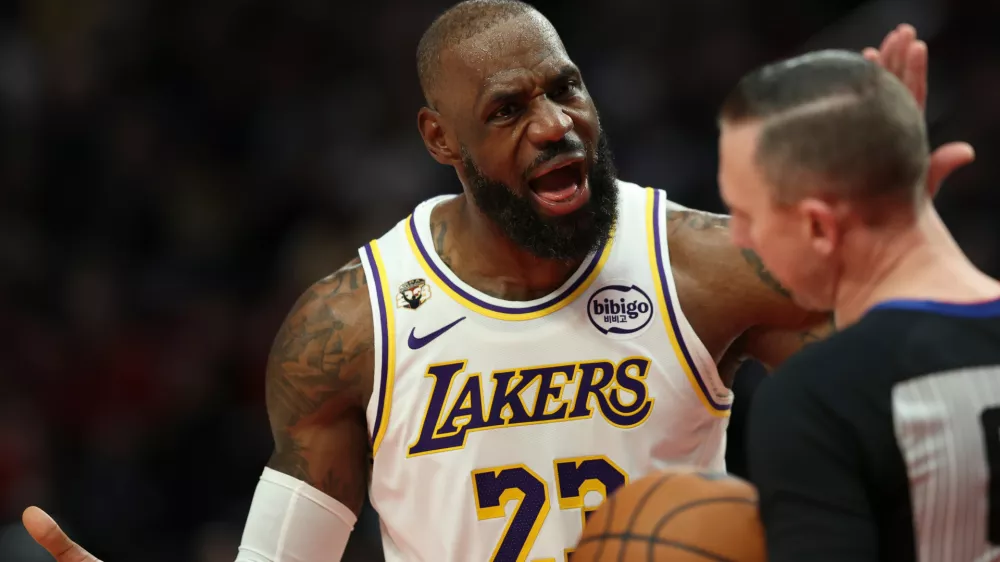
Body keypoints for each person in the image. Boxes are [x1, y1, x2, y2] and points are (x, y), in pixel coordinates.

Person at [21, 2, 971, 561]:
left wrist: (899, 239)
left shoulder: (703, 265)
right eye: (509, 109)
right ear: (443, 141)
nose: (556, 124)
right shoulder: (352, 326)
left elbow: (936, 415)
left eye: (566, 88)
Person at [717, 50, 997, 561]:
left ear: (820, 227)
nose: (737, 238)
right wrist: (899, 200)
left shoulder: (818, 397)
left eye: (744, 213)